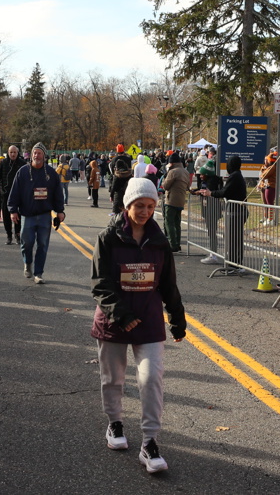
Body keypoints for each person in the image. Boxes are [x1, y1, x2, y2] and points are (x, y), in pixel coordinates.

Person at [90, 178, 186, 474]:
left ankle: (150, 442)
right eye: (139, 205)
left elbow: (168, 284)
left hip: (148, 320)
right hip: (114, 321)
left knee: (150, 379)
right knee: (113, 379)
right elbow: (100, 283)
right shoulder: (108, 238)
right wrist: (121, 314)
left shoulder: (159, 241)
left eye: (151, 206)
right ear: (127, 205)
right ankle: (115, 424)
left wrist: (177, 319)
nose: (145, 211)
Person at [7, 142, 65, 284]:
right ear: (31, 155)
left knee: (43, 245)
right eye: (34, 153)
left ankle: (38, 273)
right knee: (27, 243)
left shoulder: (51, 174)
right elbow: (15, 192)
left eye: (39, 153)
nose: (36, 155)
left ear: (44, 156)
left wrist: (60, 211)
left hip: (45, 215)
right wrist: (13, 210)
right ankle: (27, 263)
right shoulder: (23, 172)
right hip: (27, 215)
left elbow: (58, 193)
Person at [197, 155, 248, 270]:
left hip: (236, 211)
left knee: (234, 239)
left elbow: (225, 192)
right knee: (233, 238)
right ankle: (234, 263)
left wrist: (210, 193)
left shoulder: (235, 176)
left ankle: (235, 264)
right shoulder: (236, 175)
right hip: (236, 210)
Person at [160, 152, 190, 252]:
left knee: (169, 222)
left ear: (171, 163)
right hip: (181, 200)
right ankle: (177, 244)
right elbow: (188, 186)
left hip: (171, 200)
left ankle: (172, 244)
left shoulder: (173, 172)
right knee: (177, 223)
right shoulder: (185, 172)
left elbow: (165, 186)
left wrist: (166, 175)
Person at [0, 146, 26, 244]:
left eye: (14, 152)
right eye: (11, 152)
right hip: (6, 194)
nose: (13, 154)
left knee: (18, 216)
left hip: (19, 195)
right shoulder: (3, 163)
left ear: (17, 153)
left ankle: (17, 234)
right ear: (8, 153)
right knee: (6, 216)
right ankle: (9, 235)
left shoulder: (22, 164)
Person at [258, 152, 280, 224]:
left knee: (270, 203)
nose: (266, 161)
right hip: (265, 185)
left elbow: (263, 176)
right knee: (266, 202)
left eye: (267, 159)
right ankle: (267, 217)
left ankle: (270, 219)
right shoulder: (267, 167)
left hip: (270, 186)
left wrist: (264, 172)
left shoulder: (272, 167)